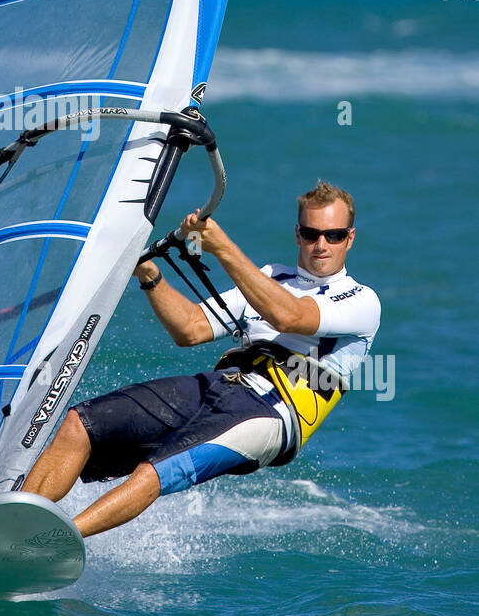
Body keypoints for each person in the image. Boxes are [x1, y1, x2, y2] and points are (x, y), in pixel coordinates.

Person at [21, 181, 381, 538]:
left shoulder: (362, 300)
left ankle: (48, 542)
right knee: (80, 423)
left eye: (333, 235)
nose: (321, 244)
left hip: (273, 412)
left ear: (349, 238)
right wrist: (150, 277)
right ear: (297, 234)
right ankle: (13, 521)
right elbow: (191, 328)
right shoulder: (273, 277)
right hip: (222, 386)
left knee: (156, 470)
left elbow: (290, 318)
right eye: (311, 233)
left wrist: (221, 247)